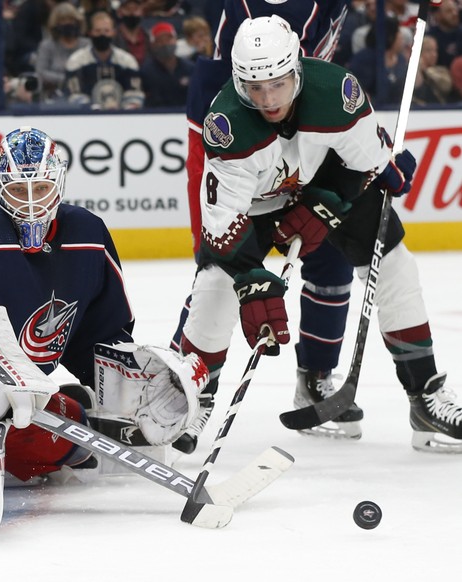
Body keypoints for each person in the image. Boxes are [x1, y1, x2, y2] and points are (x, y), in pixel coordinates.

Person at [0, 127, 208, 544]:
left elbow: (100, 331)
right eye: (19, 189)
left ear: (60, 183)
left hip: (17, 391)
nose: (31, 201)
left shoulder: (88, 235)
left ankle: (38, 422)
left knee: (69, 441)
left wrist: (128, 385)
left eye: (42, 187)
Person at [178, 15, 462, 456]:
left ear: (297, 69)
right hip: (257, 206)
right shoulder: (227, 125)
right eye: (256, 87)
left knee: (393, 260)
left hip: (323, 183)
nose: (268, 99)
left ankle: (424, 394)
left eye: (277, 83)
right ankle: (194, 398)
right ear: (238, 81)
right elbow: (222, 228)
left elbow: (368, 166)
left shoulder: (337, 94)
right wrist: (252, 282)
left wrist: (331, 200)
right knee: (215, 280)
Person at [170, 0, 362, 455]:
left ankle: (315, 378)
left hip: (310, 118)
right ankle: (184, 390)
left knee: (331, 258)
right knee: (218, 262)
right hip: (233, 123)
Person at [63, 10, 145, 109]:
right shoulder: (76, 61)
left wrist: (124, 111)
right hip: (87, 118)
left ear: (113, 32)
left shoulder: (127, 61)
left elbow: (135, 94)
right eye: (97, 31)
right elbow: (74, 95)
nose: (102, 35)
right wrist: (94, 110)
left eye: (106, 31)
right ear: (90, 33)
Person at [35, 2, 90, 104]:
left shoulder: (86, 44)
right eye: (63, 21)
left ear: (77, 22)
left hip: (84, 94)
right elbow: (41, 72)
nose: (68, 23)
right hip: (53, 94)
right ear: (56, 24)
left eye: (71, 20)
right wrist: (66, 80)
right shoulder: (47, 45)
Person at [140, 22, 194, 107]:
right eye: (160, 41)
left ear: (176, 40)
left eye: (169, 39)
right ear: (153, 44)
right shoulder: (146, 71)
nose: (165, 44)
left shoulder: (190, 68)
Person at [114, 0, 151, 65]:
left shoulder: (148, 37)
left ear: (142, 11)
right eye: (128, 9)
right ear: (120, 11)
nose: (132, 13)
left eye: (135, 9)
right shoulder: (113, 37)